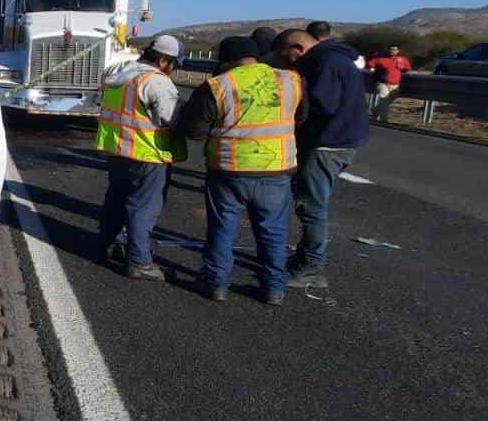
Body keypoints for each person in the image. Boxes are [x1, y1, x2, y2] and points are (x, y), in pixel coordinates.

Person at [176, 36, 307, 304]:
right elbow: (301, 116)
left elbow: (195, 132)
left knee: (223, 228)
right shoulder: (291, 80)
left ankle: (216, 284)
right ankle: (273, 289)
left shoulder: (218, 85)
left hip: (229, 169)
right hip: (276, 167)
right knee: (272, 231)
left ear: (225, 60)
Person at [274, 28, 369, 288]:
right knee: (313, 203)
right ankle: (305, 257)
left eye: (288, 57)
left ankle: (312, 268)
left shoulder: (323, 63)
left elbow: (319, 106)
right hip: (343, 139)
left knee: (312, 207)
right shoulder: (336, 58)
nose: (289, 63)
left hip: (328, 143)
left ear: (298, 47)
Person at [96, 34, 189, 281]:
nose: (175, 70)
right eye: (174, 64)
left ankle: (105, 244)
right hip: (147, 153)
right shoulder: (156, 82)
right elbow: (170, 119)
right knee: (142, 208)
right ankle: (139, 261)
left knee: (116, 200)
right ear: (162, 60)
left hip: (118, 150)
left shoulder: (120, 73)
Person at [366, 44, 413, 120]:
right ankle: (383, 119)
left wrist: (403, 67)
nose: (392, 51)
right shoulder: (380, 58)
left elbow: (407, 68)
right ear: (388, 50)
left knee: (388, 100)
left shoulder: (402, 59)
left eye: (394, 49)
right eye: (390, 49)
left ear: (398, 51)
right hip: (382, 83)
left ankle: (376, 110)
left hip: (395, 84)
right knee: (384, 99)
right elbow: (369, 64)